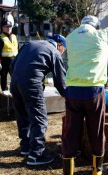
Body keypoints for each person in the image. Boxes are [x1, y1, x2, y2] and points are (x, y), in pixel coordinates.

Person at [62, 0, 108, 175]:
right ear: (96, 26)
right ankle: (97, 169)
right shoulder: (101, 36)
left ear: (81, 24)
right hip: (94, 91)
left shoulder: (70, 37)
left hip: (73, 90)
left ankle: (68, 171)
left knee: (71, 129)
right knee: (96, 129)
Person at [10, 34, 67, 165]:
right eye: (64, 49)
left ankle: (25, 147)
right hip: (31, 84)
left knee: (22, 115)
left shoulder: (30, 44)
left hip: (15, 81)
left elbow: (13, 65)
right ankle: (36, 155)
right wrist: (68, 97)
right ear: (60, 45)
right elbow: (60, 81)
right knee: (39, 118)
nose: (63, 52)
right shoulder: (54, 52)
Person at [0, 20, 18, 91]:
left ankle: (15, 90)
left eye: (10, 27)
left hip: (14, 60)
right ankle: (4, 91)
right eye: (6, 27)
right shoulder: (0, 38)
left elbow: (18, 48)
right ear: (3, 28)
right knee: (4, 77)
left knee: (15, 77)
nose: (9, 28)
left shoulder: (14, 36)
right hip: (4, 61)